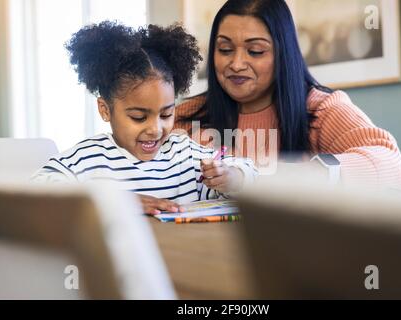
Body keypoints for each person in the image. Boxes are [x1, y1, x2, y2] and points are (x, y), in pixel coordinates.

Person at [174, 0, 401, 188]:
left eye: (255, 51)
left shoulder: (321, 109)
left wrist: (308, 175)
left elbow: (391, 165)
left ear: (283, 54)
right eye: (225, 49)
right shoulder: (184, 116)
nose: (236, 63)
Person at [32, 21, 257, 214]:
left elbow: (250, 172)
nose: (155, 129)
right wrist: (117, 202)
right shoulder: (89, 159)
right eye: (139, 117)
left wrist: (231, 177)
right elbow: (37, 192)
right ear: (105, 109)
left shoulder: (182, 153)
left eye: (166, 114)